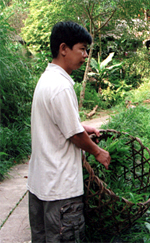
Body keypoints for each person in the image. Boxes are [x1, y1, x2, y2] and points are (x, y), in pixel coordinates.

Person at [27, 21, 111, 242]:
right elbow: (74, 136)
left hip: (40, 187)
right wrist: (98, 152)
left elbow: (57, 123)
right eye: (82, 49)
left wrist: (83, 126)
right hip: (61, 192)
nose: (85, 55)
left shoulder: (47, 79)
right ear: (64, 48)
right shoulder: (62, 86)